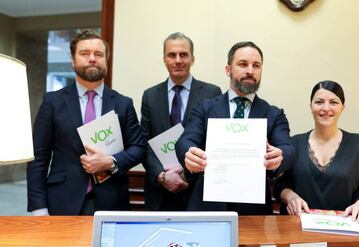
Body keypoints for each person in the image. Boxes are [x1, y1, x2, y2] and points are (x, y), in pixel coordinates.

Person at [27, 30, 146, 215]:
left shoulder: (123, 103)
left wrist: (111, 162)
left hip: (112, 201)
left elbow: (138, 148)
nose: (92, 58)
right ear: (73, 60)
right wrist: (38, 208)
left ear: (106, 61)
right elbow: (38, 158)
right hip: (62, 201)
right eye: (85, 53)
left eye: (98, 54)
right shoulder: (53, 102)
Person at [175, 41, 296, 215]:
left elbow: (289, 149)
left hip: (254, 212)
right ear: (228, 70)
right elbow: (185, 141)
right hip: (208, 208)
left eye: (256, 65)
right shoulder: (205, 107)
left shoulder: (273, 113)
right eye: (243, 64)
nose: (250, 70)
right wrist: (190, 154)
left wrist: (279, 157)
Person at [275, 80, 359, 224]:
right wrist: (291, 197)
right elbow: (280, 185)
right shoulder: (294, 144)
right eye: (319, 102)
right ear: (310, 106)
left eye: (333, 102)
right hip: (298, 228)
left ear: (343, 107)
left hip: (345, 229)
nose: (326, 108)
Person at [141, 32, 221, 211]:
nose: (178, 60)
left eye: (183, 54)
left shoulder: (212, 93)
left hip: (197, 191)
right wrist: (162, 175)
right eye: (172, 55)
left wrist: (185, 174)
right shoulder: (150, 96)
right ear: (164, 59)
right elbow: (143, 143)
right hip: (160, 193)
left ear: (193, 58)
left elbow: (215, 142)